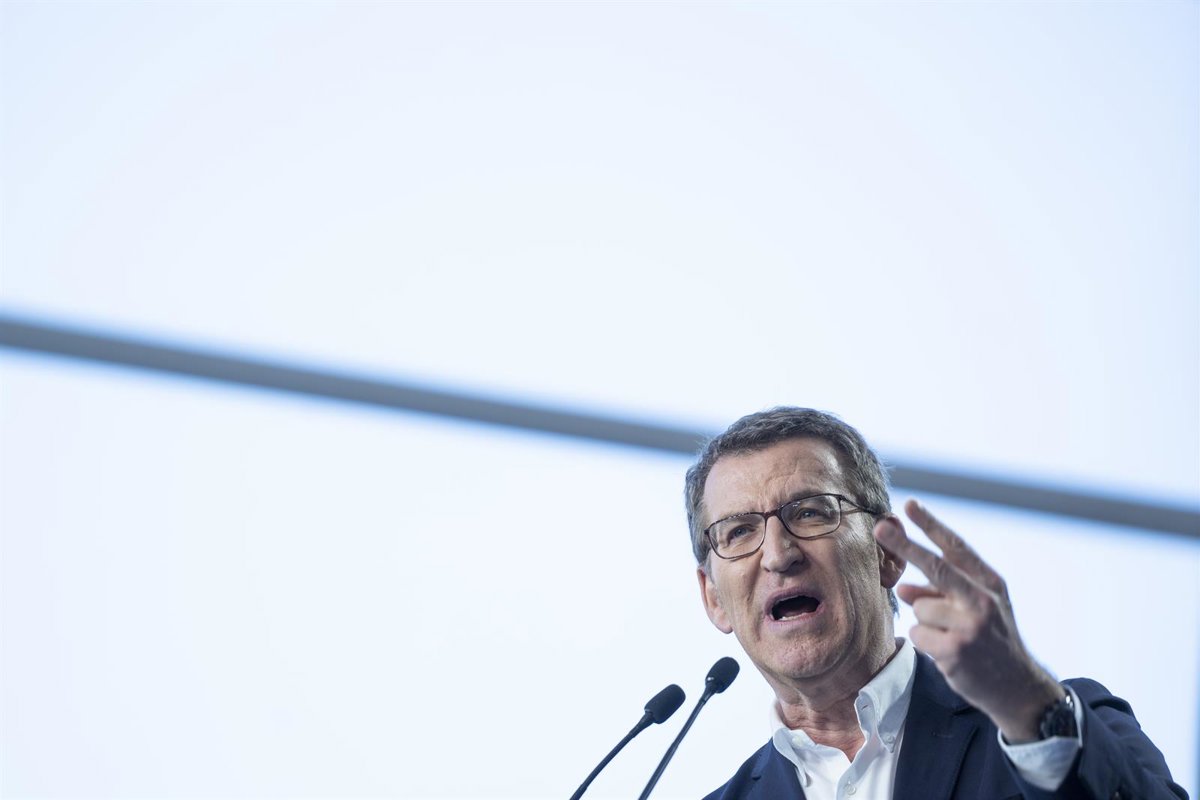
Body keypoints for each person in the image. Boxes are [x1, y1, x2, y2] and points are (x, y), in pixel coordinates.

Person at [685, 407, 1186, 800]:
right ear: (714, 599)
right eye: (739, 531)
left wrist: (1030, 704)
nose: (778, 554)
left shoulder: (1046, 723)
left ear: (888, 553)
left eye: (811, 513)